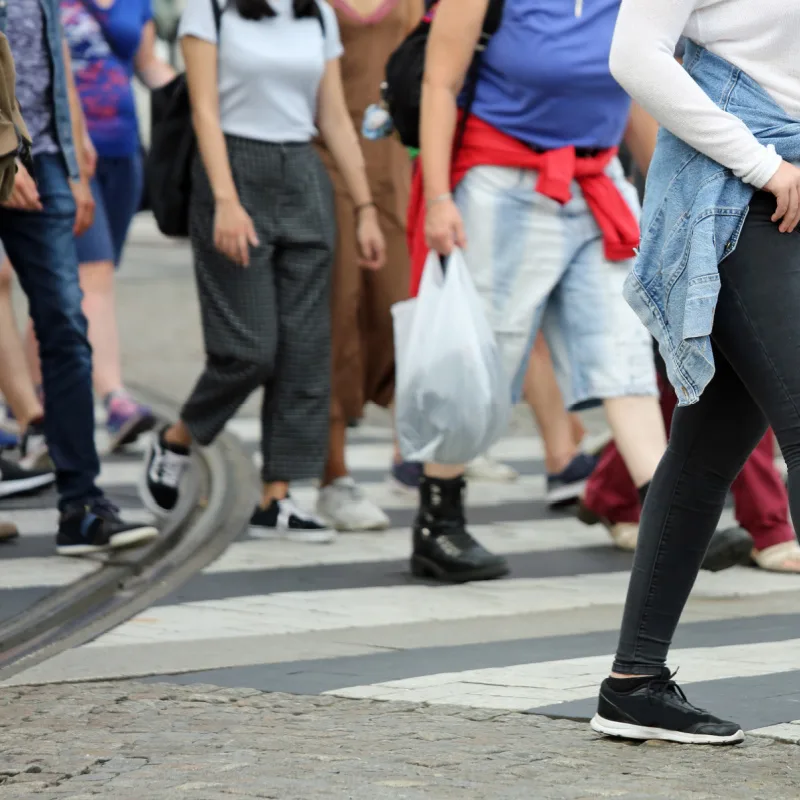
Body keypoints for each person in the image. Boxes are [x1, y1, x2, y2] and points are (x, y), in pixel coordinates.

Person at [591, 0, 800, 745]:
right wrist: (763, 164)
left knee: (707, 449)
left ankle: (634, 683)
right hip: (738, 192)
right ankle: (634, 681)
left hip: (787, 186)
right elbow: (634, 54)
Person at [410, 0, 677, 583]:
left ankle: (669, 526)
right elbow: (439, 80)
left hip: (597, 181)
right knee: (487, 358)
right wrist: (438, 197)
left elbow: (634, 92)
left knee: (624, 342)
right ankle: (438, 521)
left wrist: (672, 201)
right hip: (503, 183)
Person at [141, 0, 386, 543]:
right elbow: (204, 111)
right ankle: (179, 438)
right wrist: (226, 200)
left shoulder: (316, 13)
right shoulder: (211, 10)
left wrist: (365, 208)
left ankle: (278, 495)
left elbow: (335, 116)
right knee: (249, 349)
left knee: (305, 349)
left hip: (303, 174)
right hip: (233, 170)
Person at [0, 0, 159, 555]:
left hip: (43, 157)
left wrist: (76, 153)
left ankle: (82, 506)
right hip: (7, 156)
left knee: (65, 322)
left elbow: (53, 57)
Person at [45, 0, 175, 452]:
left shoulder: (135, 2)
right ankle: (115, 398)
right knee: (91, 272)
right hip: (68, 154)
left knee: (67, 281)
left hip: (123, 152)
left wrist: (195, 93)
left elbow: (148, 65)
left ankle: (34, 393)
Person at [314, 0, 421, 532]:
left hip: (394, 170)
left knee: (402, 311)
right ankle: (334, 475)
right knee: (337, 323)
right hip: (327, 166)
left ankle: (415, 452)